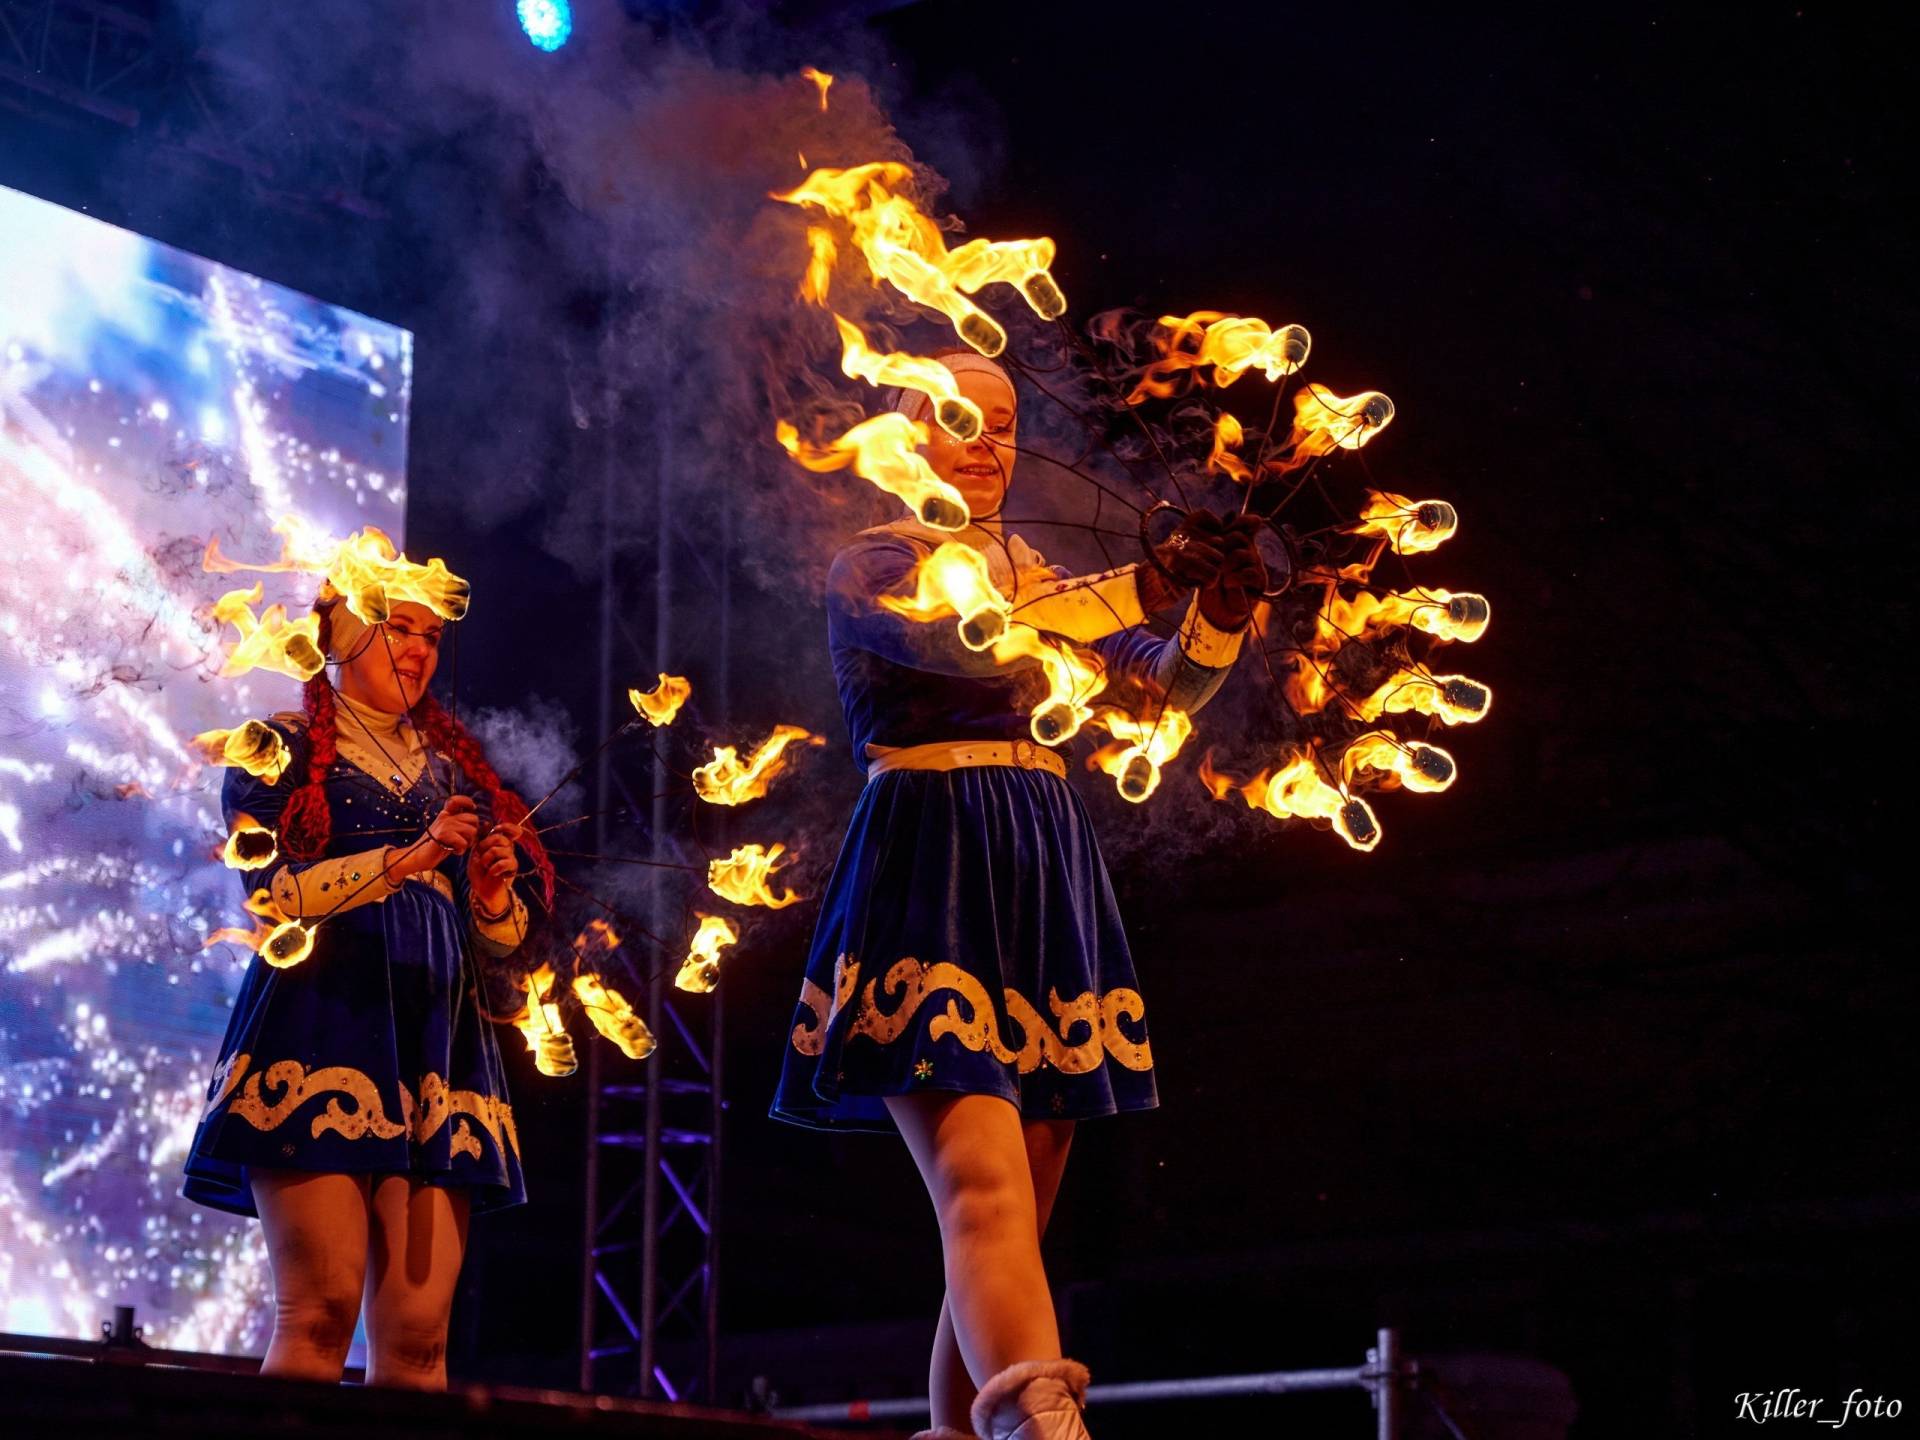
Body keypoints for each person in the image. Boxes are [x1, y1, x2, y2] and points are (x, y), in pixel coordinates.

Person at [771, 352, 1266, 1440]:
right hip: (934, 860)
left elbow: (1169, 684)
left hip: (1041, 869)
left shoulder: (1041, 577)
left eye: (1002, 422)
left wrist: (1215, 614)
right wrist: (1148, 582)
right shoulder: (879, 561)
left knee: (1011, 1226)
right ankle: (1045, 1429)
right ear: (910, 435)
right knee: (984, 1193)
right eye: (960, 418)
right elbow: (960, 638)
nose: (986, 441)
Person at [183, 577, 553, 1389]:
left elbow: (500, 944)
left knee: (419, 1342)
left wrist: (491, 895)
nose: (418, 649)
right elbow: (274, 898)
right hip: (321, 1025)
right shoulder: (276, 749)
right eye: (397, 628)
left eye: (431, 636)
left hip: (437, 1042)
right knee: (319, 1313)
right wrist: (409, 858)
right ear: (345, 636)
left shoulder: (454, 771)